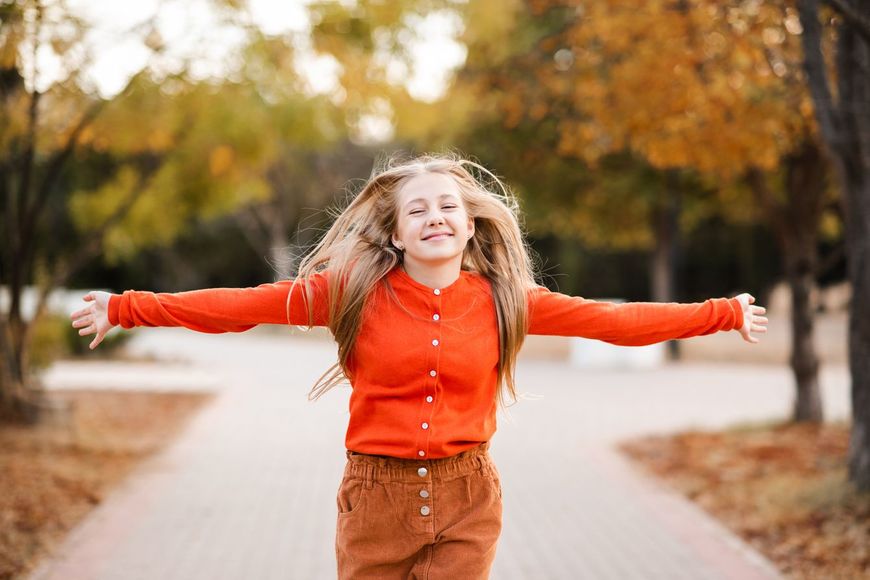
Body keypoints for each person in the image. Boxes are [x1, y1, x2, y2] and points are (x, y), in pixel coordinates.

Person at [69, 152, 768, 579]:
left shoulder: (505, 300)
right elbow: (243, 305)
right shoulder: (352, 293)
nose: (436, 215)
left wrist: (722, 312)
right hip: (376, 499)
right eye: (418, 210)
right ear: (397, 233)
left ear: (470, 225)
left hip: (470, 496)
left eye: (449, 206)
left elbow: (614, 323)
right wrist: (129, 307)